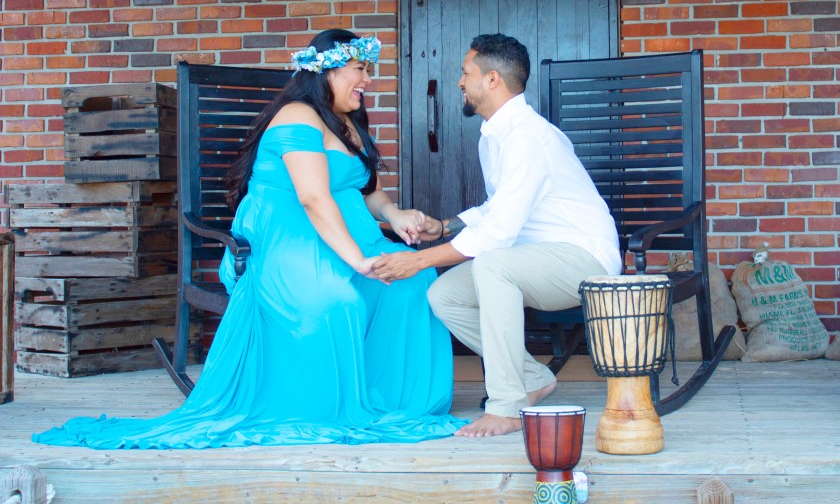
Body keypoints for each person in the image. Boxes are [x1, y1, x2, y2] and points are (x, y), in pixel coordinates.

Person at [33, 29, 466, 448]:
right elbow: (314, 198)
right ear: (328, 71)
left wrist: (394, 214)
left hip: (350, 237)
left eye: (368, 69)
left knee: (413, 281)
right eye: (360, 69)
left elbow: (366, 189)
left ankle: (392, 401)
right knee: (337, 299)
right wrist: (358, 262)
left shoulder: (349, 120)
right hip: (290, 241)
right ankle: (330, 404)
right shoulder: (298, 116)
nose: (368, 79)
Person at [372, 33, 622, 437]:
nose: (459, 82)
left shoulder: (526, 137)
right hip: (534, 259)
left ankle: (506, 406)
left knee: (491, 265)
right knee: (443, 294)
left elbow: (499, 232)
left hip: (583, 259)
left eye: (465, 73)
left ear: (492, 79)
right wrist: (444, 227)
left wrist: (417, 261)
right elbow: (498, 207)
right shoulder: (497, 134)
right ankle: (532, 377)